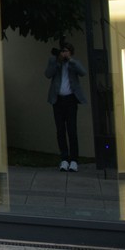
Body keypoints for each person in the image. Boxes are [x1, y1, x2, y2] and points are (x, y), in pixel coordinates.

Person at [44, 41, 88, 172]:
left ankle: (74, 160)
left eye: (66, 51)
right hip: (57, 100)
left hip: (70, 100)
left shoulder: (74, 63)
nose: (63, 53)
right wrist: (57, 62)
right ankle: (64, 158)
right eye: (62, 51)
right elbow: (48, 74)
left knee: (72, 129)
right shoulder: (54, 61)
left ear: (70, 52)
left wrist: (70, 60)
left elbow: (83, 72)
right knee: (60, 130)